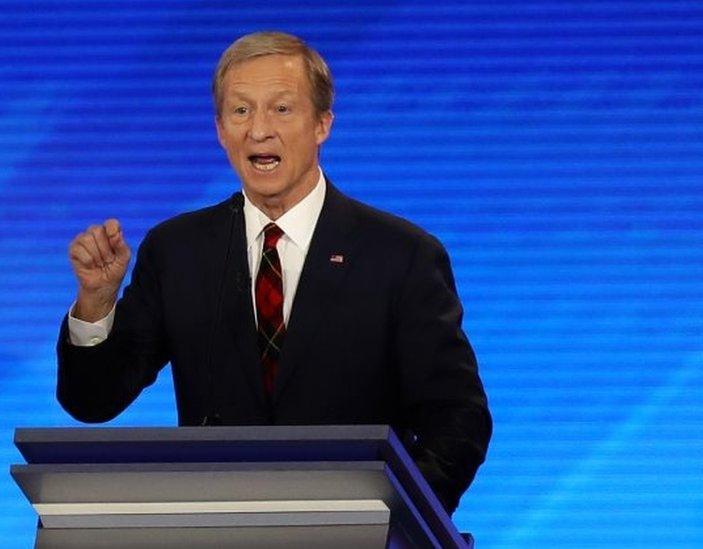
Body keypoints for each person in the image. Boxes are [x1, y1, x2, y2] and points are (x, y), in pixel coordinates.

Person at [57, 31, 492, 513]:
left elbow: (458, 418)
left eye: (281, 109)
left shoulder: (400, 255)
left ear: (322, 123)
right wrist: (96, 304)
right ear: (221, 129)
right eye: (240, 111)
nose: (259, 130)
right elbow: (93, 402)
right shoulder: (178, 251)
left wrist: (395, 516)